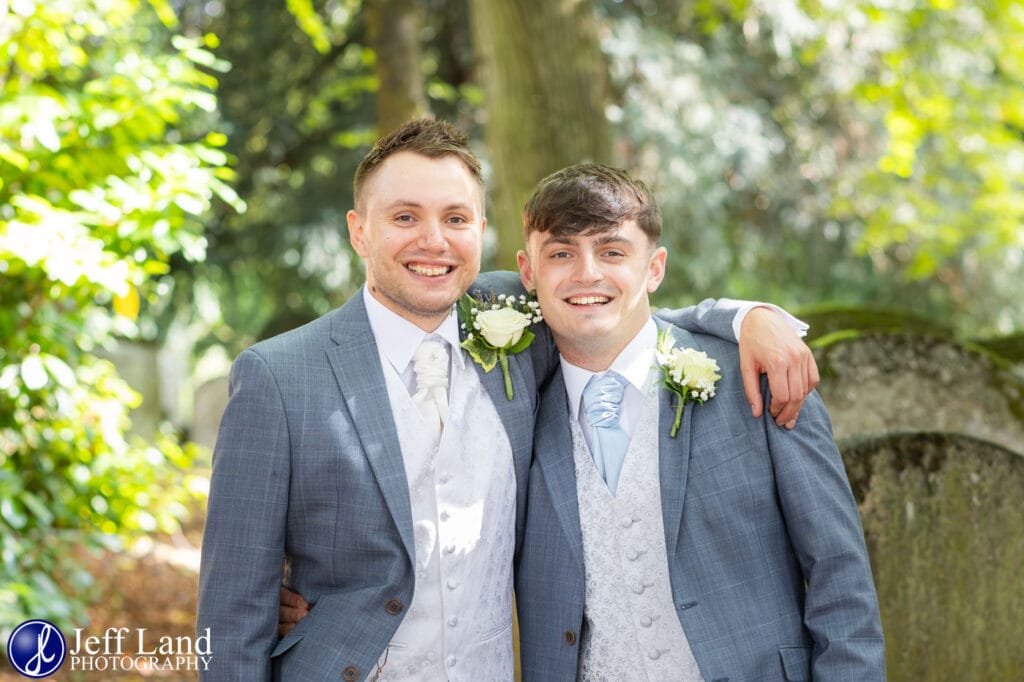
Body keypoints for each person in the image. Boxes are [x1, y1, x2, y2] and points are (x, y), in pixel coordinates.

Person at [197, 118, 817, 681]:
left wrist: (746, 318)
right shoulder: (278, 377)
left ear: (482, 231)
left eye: (456, 218)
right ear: (359, 231)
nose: (433, 241)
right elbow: (231, 612)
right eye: (405, 217)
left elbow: (611, 307)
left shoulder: (514, 328)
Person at [513, 163, 885, 680]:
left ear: (655, 268)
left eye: (613, 251)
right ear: (528, 272)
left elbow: (838, 575)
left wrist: (746, 317)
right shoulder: (514, 406)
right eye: (560, 253)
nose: (587, 273)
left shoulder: (755, 373)